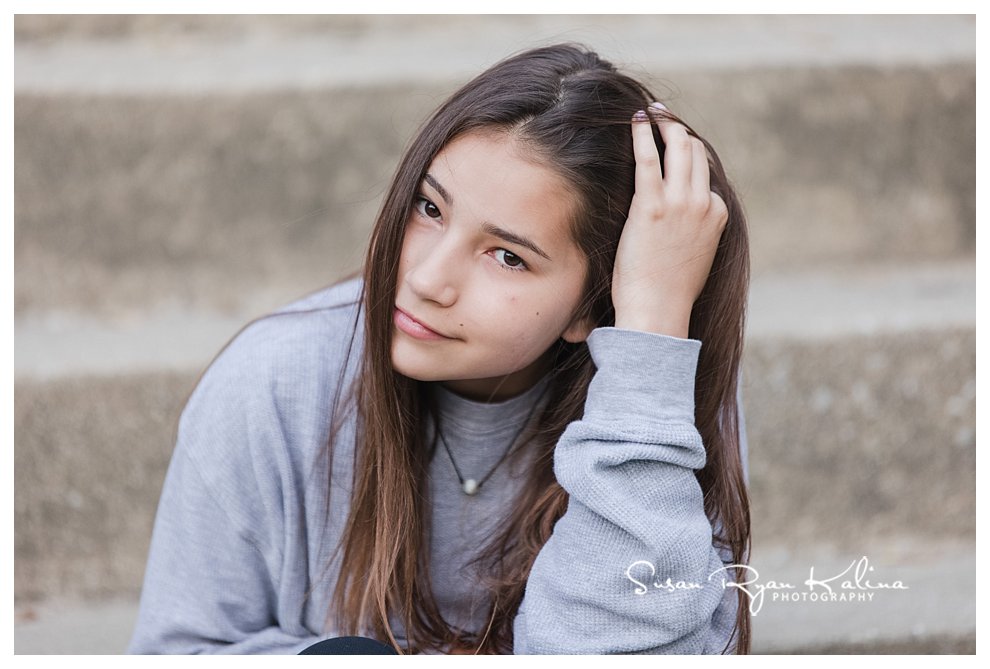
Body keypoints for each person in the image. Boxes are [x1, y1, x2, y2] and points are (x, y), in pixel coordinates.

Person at [127, 43, 751, 655]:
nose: (427, 279)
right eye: (429, 208)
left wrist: (651, 333)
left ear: (594, 307)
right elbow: (181, 647)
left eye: (507, 256)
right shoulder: (276, 380)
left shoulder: (650, 387)